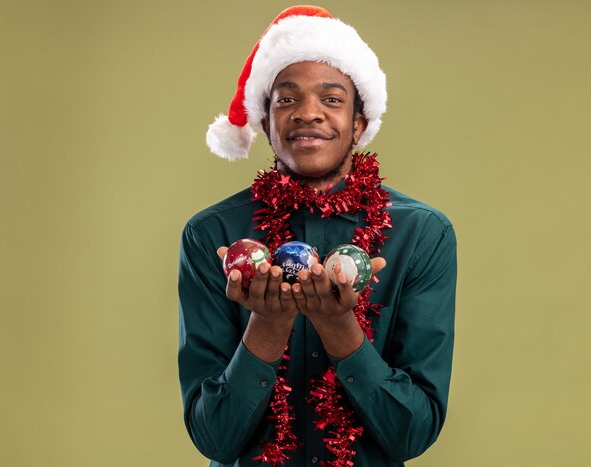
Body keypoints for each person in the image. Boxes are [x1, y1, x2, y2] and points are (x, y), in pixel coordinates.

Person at [178, 5, 457, 466]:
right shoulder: (212, 235)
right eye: (286, 99)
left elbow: (413, 433)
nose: (308, 114)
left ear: (361, 124)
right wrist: (266, 325)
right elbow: (214, 438)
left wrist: (337, 325)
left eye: (331, 99)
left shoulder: (421, 234)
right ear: (265, 123)